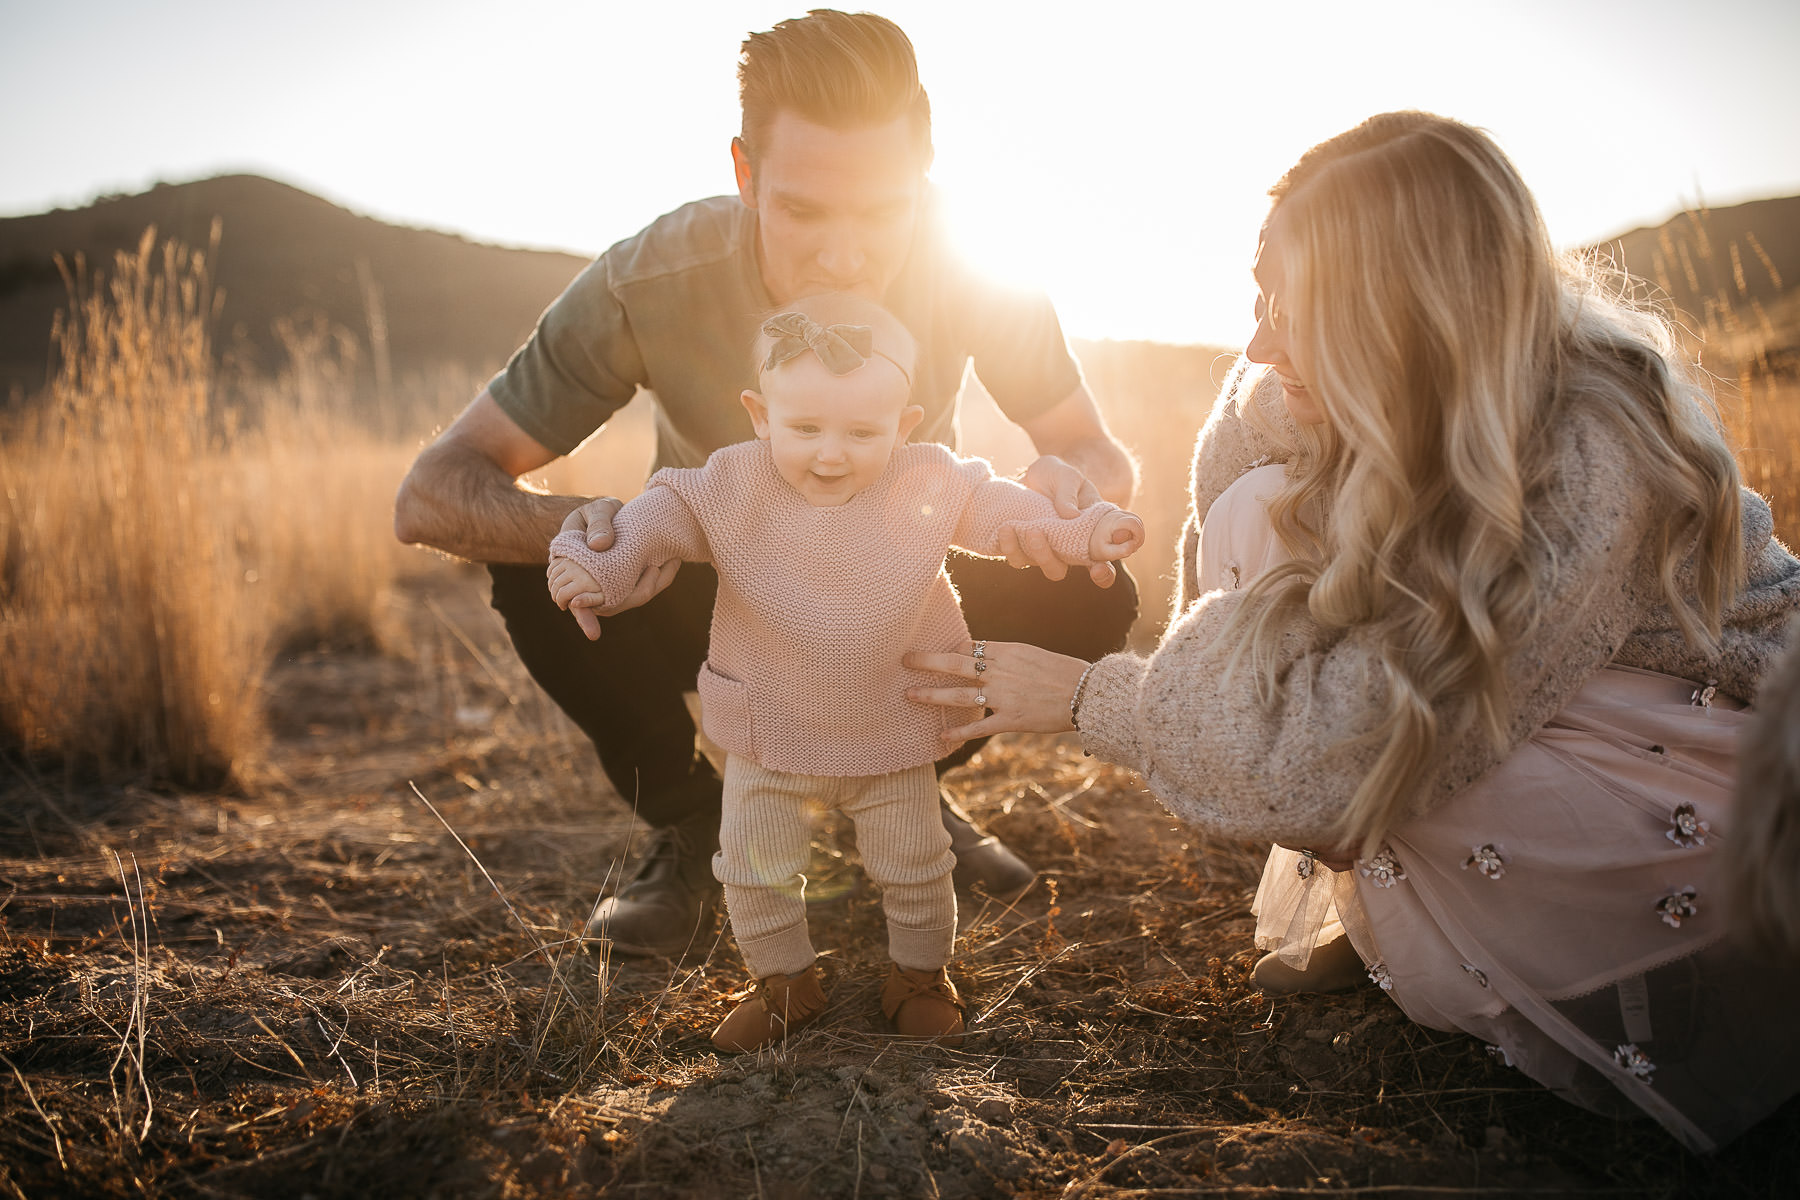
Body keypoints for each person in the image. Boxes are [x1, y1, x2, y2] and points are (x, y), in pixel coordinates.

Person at [905, 112, 1800, 1152]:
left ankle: (1608, 974)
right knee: (1268, 509)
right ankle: (1380, 910)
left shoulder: (1591, 454)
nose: (1259, 342)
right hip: (1506, 704)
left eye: (1302, 309)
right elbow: (1224, 571)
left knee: (1399, 739)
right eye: (1261, 295)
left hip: (1729, 778)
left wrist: (1082, 698)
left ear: (1410, 310)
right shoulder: (1305, 394)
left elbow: (1381, 733)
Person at [391, 10, 1140, 958]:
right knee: (540, 553)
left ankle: (907, 780)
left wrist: (1073, 484)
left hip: (905, 593)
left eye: (883, 211)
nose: (844, 256)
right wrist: (599, 529)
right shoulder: (649, 277)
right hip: (713, 590)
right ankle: (690, 820)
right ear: (746, 175)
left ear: (924, 175)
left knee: (1092, 589)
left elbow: (1090, 449)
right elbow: (433, 492)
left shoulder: (977, 267)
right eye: (803, 211)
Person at [545, 293, 1145, 1051]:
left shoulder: (925, 479)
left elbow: (1001, 510)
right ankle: (784, 983)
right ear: (760, 416)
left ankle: (919, 978)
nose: (831, 454)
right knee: (753, 870)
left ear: (904, 425)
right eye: (805, 429)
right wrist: (599, 567)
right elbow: (657, 518)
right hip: (768, 729)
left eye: (862, 432)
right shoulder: (730, 484)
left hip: (889, 723)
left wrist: (1082, 529)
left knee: (917, 865)